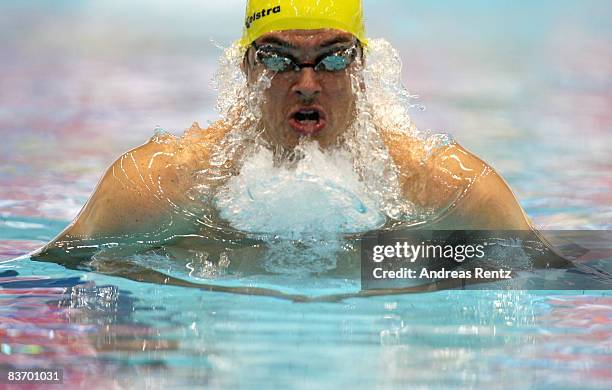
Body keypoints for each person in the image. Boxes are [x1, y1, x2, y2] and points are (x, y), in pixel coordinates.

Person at [35, 0, 550, 277]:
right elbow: (40, 281)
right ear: (246, 67)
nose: (307, 82)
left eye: (332, 57)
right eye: (278, 59)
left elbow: (563, 279)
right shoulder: (159, 186)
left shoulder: (447, 188)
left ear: (363, 68)